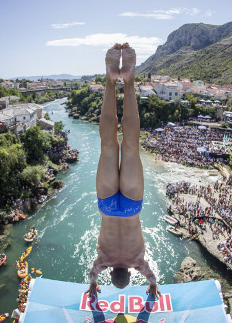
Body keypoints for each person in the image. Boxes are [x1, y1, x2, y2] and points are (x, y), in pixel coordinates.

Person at [86, 43, 160, 300]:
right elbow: (93, 272)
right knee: (108, 147)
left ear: (129, 274)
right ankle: (110, 81)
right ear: (110, 274)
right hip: (107, 206)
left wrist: (152, 285)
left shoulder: (138, 262)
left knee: (130, 147)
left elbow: (152, 277)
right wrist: (93, 284)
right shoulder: (102, 261)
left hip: (131, 208)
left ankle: (128, 80)